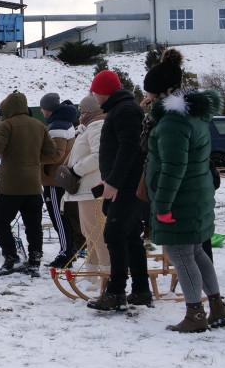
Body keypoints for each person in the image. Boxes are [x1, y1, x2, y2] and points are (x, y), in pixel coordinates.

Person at [143, 60, 225, 332]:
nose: (147, 98)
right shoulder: (194, 115)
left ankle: (195, 314)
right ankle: (217, 308)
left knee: (179, 253)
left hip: (180, 200)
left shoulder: (172, 123)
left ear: (164, 92)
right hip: (196, 196)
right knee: (195, 251)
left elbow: (172, 169)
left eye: (150, 93)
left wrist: (163, 206)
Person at [87, 70, 151, 311]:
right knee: (131, 235)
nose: (93, 94)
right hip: (124, 183)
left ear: (102, 91)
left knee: (114, 234)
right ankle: (141, 291)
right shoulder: (121, 109)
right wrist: (109, 180)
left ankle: (116, 292)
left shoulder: (124, 110)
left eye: (94, 90)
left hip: (127, 185)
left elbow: (128, 150)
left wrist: (113, 182)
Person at [0, 91, 56, 278]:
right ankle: (34, 262)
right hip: (33, 185)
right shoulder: (39, 125)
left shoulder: (7, 125)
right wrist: (32, 160)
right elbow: (52, 153)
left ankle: (11, 258)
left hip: (10, 186)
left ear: (8, 109)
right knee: (33, 225)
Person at [61, 94, 110, 284]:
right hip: (86, 189)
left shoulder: (97, 126)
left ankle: (105, 275)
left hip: (93, 189)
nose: (79, 115)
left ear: (90, 111)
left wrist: (76, 170)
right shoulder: (89, 127)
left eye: (82, 111)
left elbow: (100, 156)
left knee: (97, 234)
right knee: (90, 233)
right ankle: (92, 275)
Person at [39, 93, 78, 268]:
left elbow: (56, 154)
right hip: (58, 176)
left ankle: (65, 254)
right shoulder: (64, 122)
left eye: (42, 107)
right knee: (63, 217)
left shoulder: (57, 127)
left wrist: (35, 158)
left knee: (58, 218)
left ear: (48, 109)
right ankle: (70, 250)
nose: (41, 111)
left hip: (54, 179)